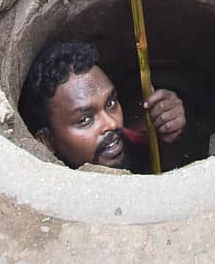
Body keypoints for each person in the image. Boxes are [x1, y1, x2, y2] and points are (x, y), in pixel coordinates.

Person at [19, 40, 186, 172]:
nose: (112, 124)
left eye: (110, 103)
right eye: (85, 119)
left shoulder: (133, 143)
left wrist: (169, 135)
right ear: (47, 141)